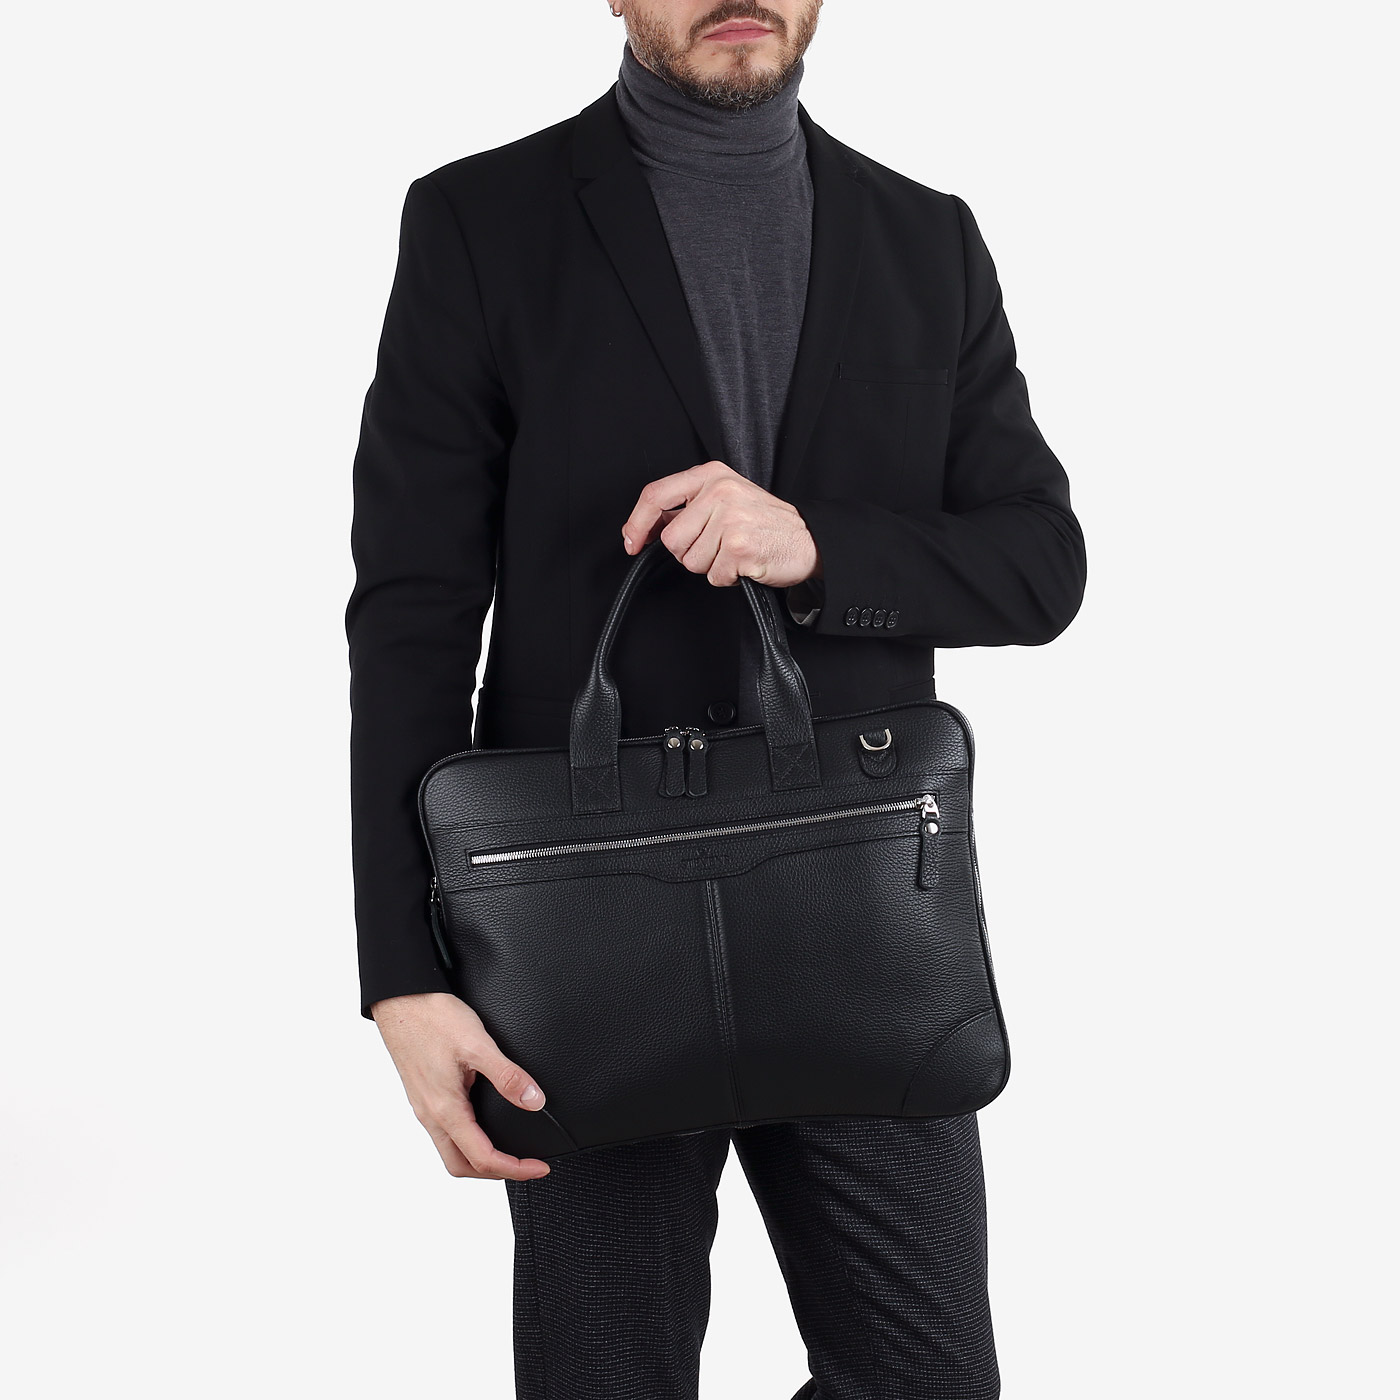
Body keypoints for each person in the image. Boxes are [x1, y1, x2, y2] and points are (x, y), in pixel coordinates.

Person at [344, 2, 1086, 1395]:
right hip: (578, 923)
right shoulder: (479, 221)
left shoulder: (924, 236)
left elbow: (1041, 565)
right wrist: (403, 971)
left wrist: (817, 546)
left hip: (858, 910)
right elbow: (410, 616)